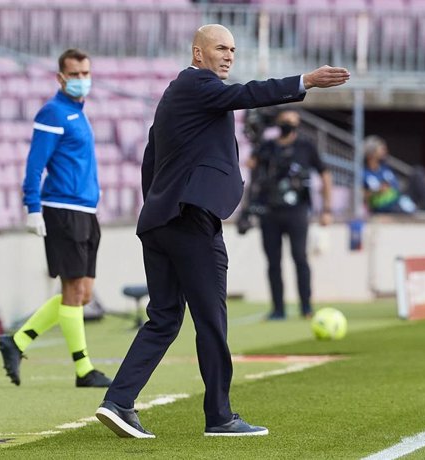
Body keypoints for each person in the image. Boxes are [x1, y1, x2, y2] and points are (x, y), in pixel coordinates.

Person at [94, 24, 349, 438]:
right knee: (211, 320)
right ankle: (219, 417)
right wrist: (305, 81)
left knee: (163, 319)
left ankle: (119, 401)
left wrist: (159, 206)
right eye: (220, 48)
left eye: (233, 49)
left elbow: (149, 158)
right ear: (198, 53)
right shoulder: (199, 85)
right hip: (191, 221)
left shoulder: (176, 96)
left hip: (161, 221)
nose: (229, 55)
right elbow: (247, 95)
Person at [0, 48, 111, 389]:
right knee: (74, 291)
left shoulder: (79, 113)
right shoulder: (53, 112)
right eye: (74, 75)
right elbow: (34, 164)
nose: (81, 80)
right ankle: (83, 369)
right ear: (60, 78)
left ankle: (16, 342)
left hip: (86, 212)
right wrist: (32, 207)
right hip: (62, 210)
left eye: (85, 73)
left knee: (83, 293)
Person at [246, 109, 333, 320]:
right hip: (270, 211)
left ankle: (306, 307)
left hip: (297, 210)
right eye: (285, 121)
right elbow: (252, 170)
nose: (288, 125)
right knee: (273, 262)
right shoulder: (267, 147)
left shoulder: (306, 146)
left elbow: (325, 174)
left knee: (300, 258)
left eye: (292, 122)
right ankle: (278, 309)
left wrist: (326, 209)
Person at [363, 135, 417, 214]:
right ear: (372, 152)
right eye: (382, 149)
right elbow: (360, 195)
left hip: (397, 198)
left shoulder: (386, 169)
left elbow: (397, 187)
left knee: (418, 172)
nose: (385, 151)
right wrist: (377, 190)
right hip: (382, 205)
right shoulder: (363, 173)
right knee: (401, 205)